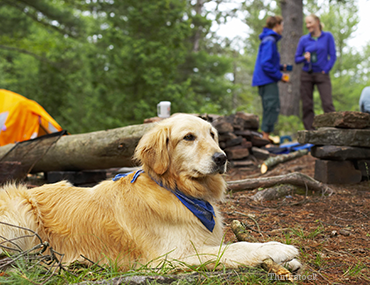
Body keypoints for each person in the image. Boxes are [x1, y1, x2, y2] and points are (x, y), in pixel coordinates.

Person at [295, 14, 337, 130]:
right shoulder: (304, 39)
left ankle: (333, 129)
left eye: (310, 22)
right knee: (307, 105)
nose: (308, 25)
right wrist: (305, 57)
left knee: (327, 103)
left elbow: (333, 56)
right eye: (306, 24)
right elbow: (296, 59)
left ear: (317, 22)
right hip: (306, 74)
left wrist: (326, 69)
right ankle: (311, 132)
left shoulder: (327, 36)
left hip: (322, 74)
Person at [252, 15, 289, 141]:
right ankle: (265, 138)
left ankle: (265, 137)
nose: (283, 28)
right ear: (277, 25)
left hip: (265, 79)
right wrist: (280, 76)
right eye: (282, 25)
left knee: (270, 107)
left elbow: (268, 62)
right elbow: (266, 64)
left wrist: (281, 67)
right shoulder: (269, 40)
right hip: (267, 80)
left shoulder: (269, 39)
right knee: (272, 107)